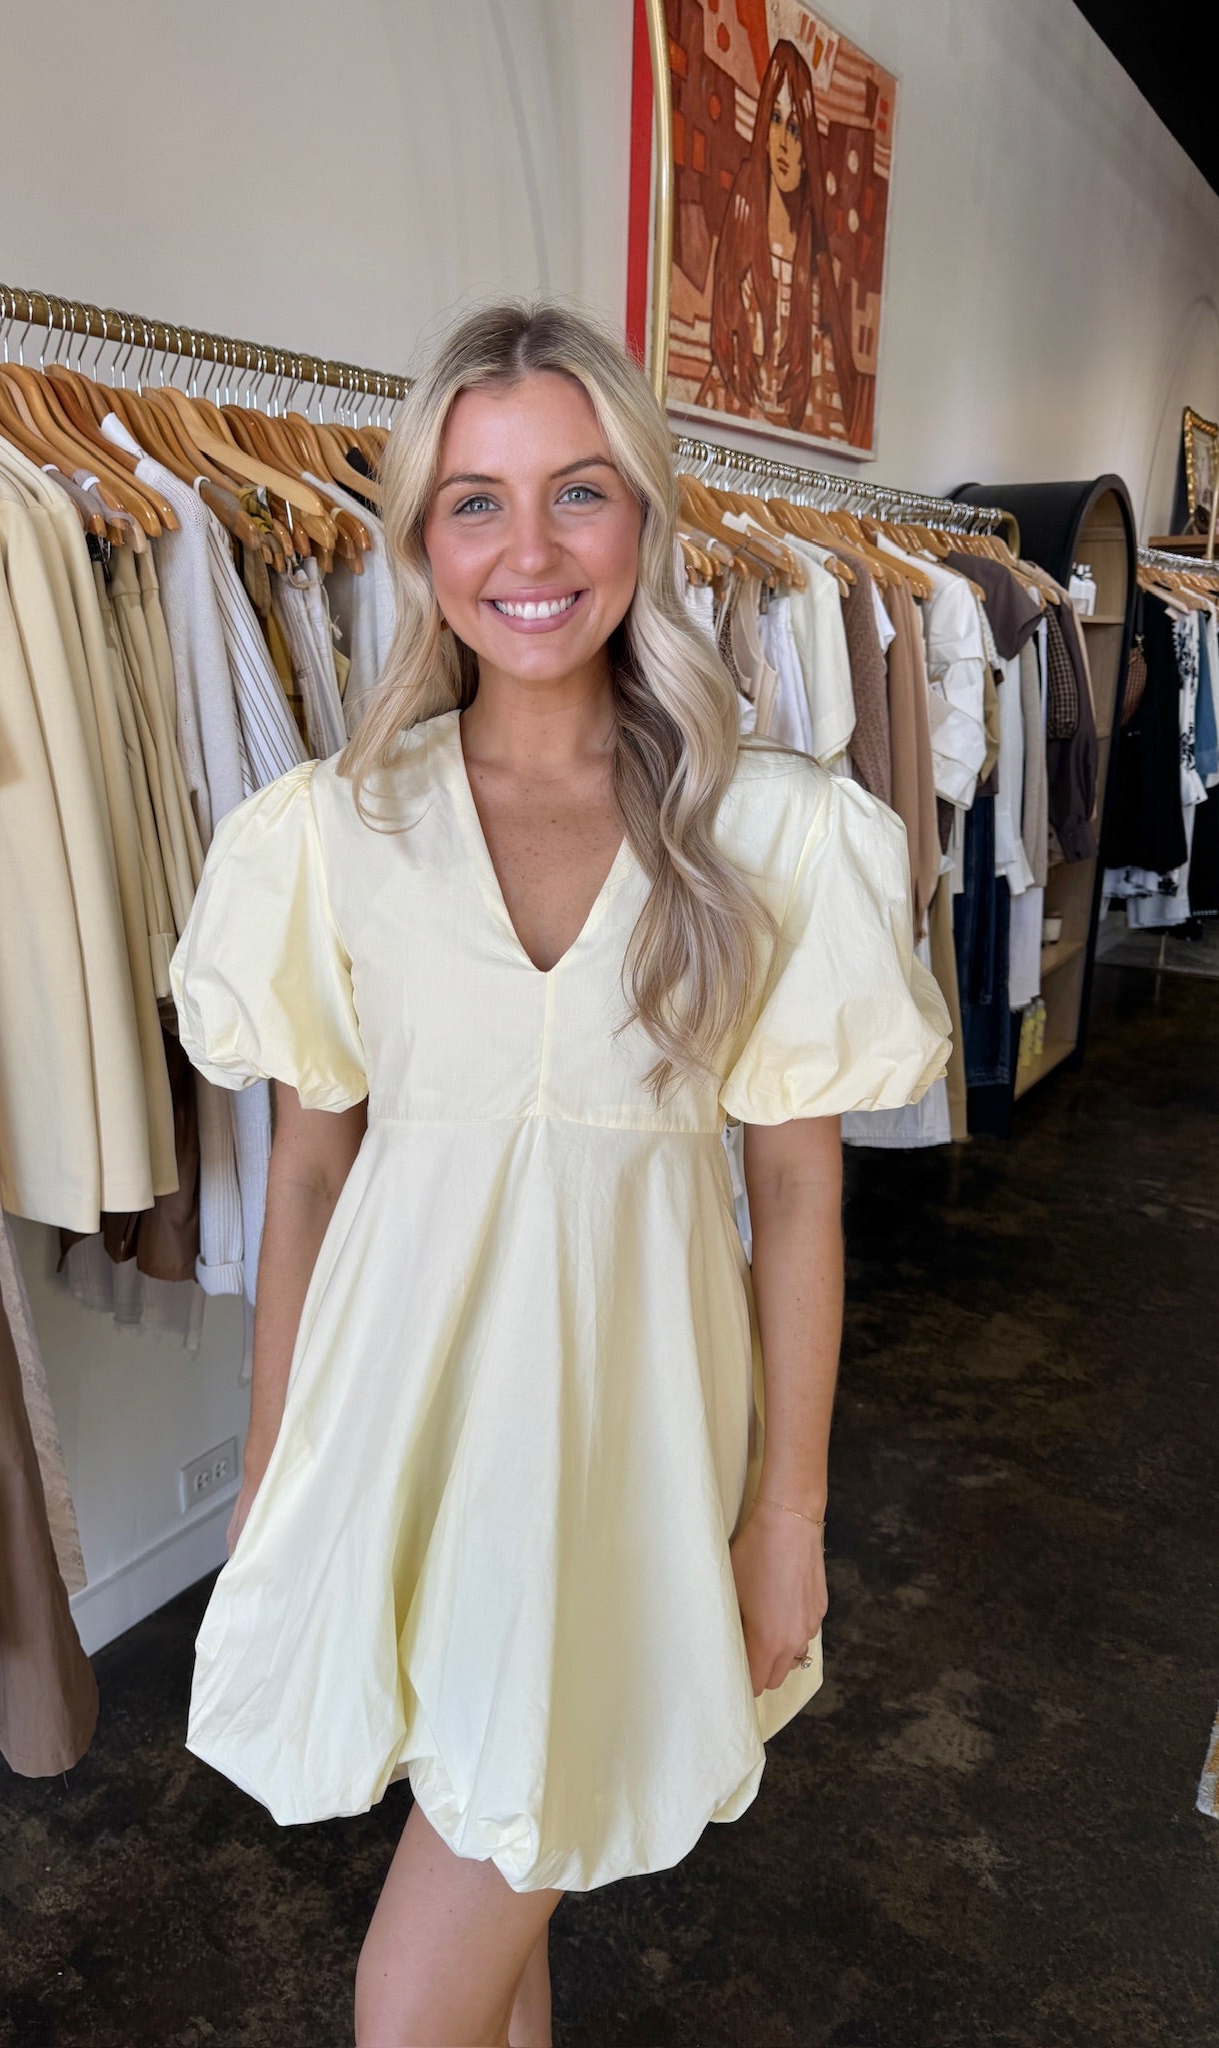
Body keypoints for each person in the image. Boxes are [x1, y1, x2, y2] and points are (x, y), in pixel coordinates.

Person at [171, 301, 949, 2045]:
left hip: (623, 1444)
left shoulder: (767, 834)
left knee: (411, 1984)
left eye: (578, 492)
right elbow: (305, 1181)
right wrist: (275, 1472)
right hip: (398, 1431)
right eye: (475, 501)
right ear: (418, 539)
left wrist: (790, 1511)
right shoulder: (331, 831)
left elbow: (803, 1196)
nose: (528, 551)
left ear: (647, 518)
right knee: (501, 1873)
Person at [701, 38, 866, 446]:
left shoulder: (813, 254)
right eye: (775, 120)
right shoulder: (743, 206)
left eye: (794, 127)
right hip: (732, 418)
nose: (783, 143)